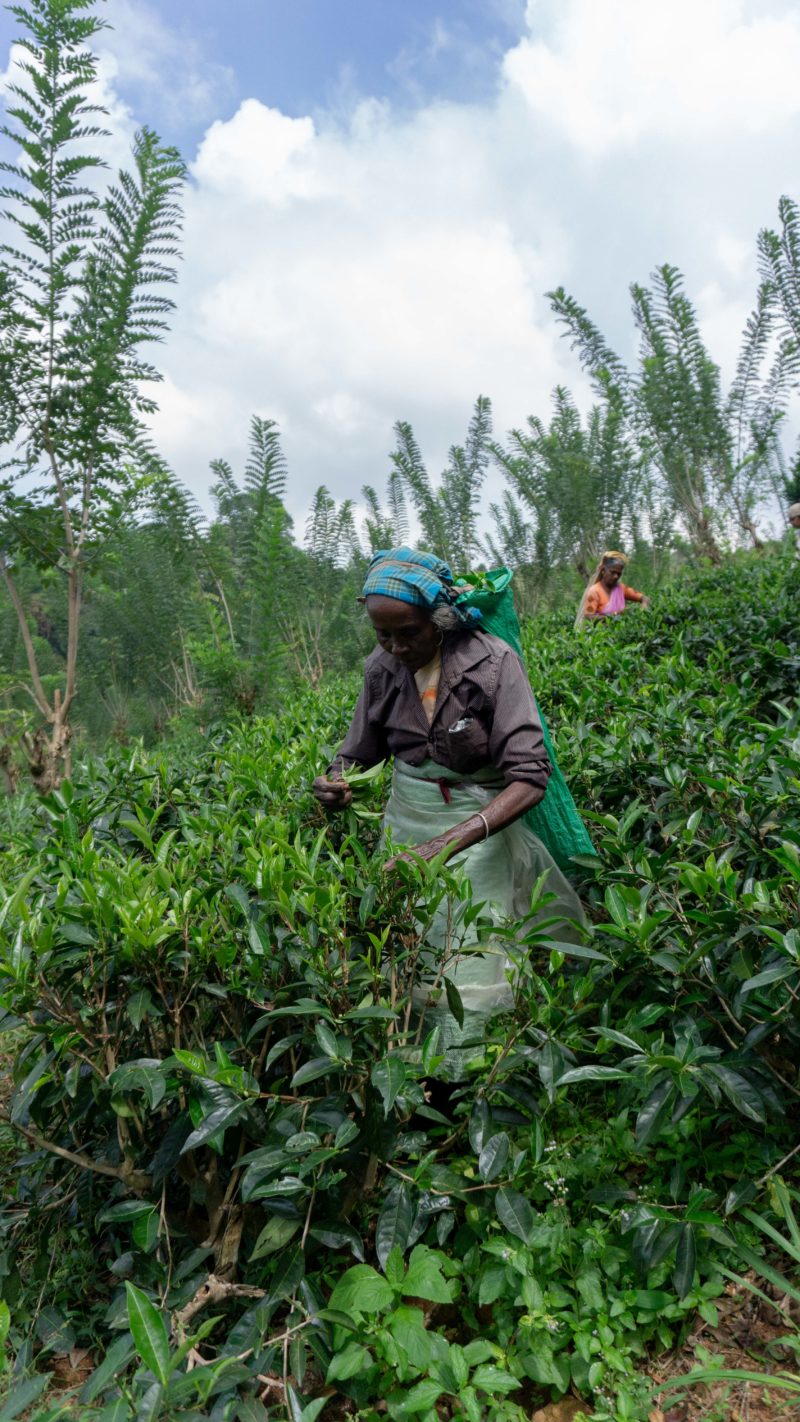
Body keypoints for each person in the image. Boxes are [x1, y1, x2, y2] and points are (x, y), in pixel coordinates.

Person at [313, 547, 585, 1075]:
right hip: (405, 824)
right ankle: (415, 1067)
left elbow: (529, 777)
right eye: (382, 635)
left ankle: (468, 1080)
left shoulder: (494, 664)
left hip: (478, 834)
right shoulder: (382, 668)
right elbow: (360, 750)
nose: (395, 647)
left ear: (440, 621)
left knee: (472, 959)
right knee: (409, 950)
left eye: (407, 633)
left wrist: (444, 845)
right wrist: (338, 781)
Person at [575, 551, 649, 627]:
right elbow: (589, 616)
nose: (616, 576)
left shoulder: (621, 588)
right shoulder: (594, 591)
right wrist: (615, 616)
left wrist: (643, 610)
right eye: (612, 572)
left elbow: (644, 598)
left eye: (618, 573)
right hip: (601, 635)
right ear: (603, 570)